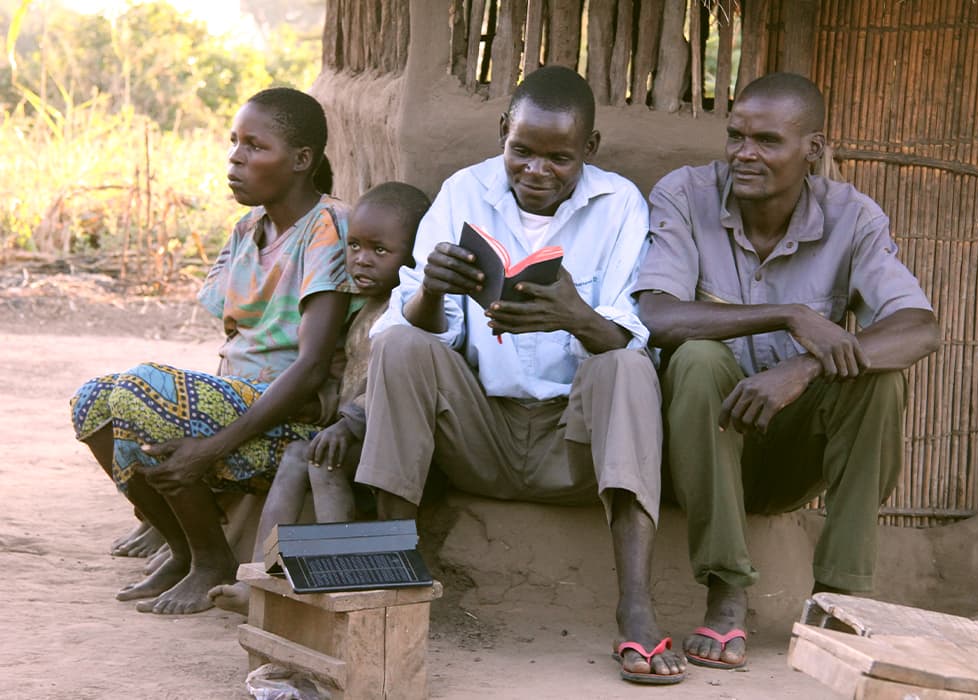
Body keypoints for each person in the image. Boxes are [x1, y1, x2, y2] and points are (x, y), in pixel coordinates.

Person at [356, 66, 686, 685]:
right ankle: (391, 566)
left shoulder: (619, 206)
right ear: (503, 131)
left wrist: (576, 317)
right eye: (522, 151)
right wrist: (431, 289)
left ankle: (635, 604)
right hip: (480, 436)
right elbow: (432, 331)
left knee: (627, 366)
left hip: (574, 446)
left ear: (589, 149)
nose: (537, 171)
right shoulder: (463, 192)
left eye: (559, 158)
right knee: (399, 342)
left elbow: (634, 331)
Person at [635, 73, 940, 670]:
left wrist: (802, 367)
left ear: (814, 151)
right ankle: (726, 592)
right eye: (736, 136)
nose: (744, 154)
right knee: (696, 358)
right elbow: (657, 316)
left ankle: (840, 598)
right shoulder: (685, 195)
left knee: (879, 378)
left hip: (797, 453)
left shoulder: (852, 216)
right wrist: (789, 315)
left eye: (767, 141)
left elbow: (920, 327)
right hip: (704, 445)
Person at [70, 87, 353, 615]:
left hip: (290, 418)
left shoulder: (327, 228)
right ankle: (181, 549)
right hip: (239, 403)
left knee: (138, 389)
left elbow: (312, 367)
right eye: (234, 143)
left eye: (255, 146)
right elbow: (235, 343)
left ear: (301, 160)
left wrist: (213, 445)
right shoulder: (247, 230)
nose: (236, 158)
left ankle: (211, 560)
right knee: (92, 401)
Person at [208, 181, 430, 615]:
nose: (361, 260)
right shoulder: (361, 310)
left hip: (393, 448)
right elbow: (343, 380)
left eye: (379, 251)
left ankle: (335, 578)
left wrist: (349, 422)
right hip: (351, 436)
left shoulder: (410, 312)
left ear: (412, 255)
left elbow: (401, 388)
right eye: (355, 247)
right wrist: (326, 409)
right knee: (299, 454)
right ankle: (260, 576)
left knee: (319, 458)